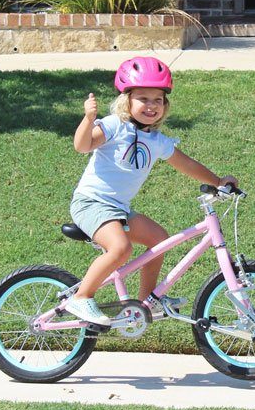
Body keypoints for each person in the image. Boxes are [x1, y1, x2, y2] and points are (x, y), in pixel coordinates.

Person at [64, 56, 237, 326]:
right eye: (143, 98)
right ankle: (81, 297)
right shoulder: (113, 126)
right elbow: (82, 146)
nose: (151, 105)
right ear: (127, 101)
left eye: (158, 100)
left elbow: (187, 164)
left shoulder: (156, 141)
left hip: (118, 209)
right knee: (121, 248)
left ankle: (147, 302)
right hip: (91, 203)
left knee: (159, 240)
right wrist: (88, 119)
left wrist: (217, 181)